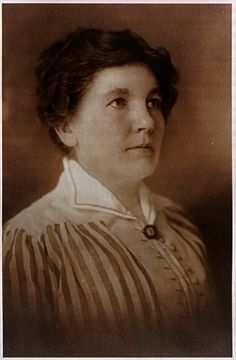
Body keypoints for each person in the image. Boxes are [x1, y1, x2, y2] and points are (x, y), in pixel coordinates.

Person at [3, 28, 219, 357]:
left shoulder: (179, 222)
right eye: (118, 101)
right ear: (65, 125)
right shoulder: (33, 241)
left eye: (154, 102)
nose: (147, 121)